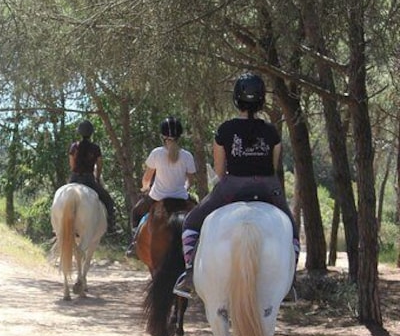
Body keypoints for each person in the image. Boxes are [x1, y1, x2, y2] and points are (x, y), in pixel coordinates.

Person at [173, 72, 300, 299]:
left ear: (236, 99)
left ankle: (190, 273)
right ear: (261, 100)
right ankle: (290, 282)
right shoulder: (272, 132)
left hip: (232, 187)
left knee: (191, 222)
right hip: (267, 186)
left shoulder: (224, 130)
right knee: (291, 226)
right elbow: (272, 166)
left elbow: (220, 172)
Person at [126, 116, 196, 258]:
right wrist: (185, 188)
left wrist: (145, 187)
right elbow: (191, 180)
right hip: (181, 197)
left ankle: (134, 244)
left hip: (157, 196)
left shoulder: (156, 153)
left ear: (162, 136)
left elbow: (146, 178)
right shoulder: (187, 156)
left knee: (136, 212)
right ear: (179, 136)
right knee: (198, 213)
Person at [69, 120, 118, 235]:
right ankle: (111, 227)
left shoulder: (74, 147)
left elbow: (71, 165)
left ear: (79, 132)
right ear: (91, 133)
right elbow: (100, 165)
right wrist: (97, 177)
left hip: (74, 178)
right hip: (89, 179)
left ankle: (55, 226)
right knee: (108, 201)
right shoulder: (95, 148)